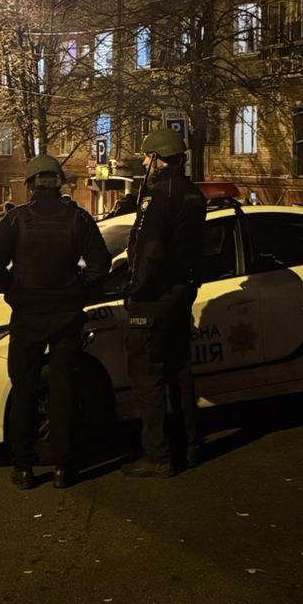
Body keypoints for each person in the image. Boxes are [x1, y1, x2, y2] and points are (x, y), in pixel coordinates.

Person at [0, 154, 110, 491]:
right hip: (66, 318)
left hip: (28, 317)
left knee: (24, 390)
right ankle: (63, 467)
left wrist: (13, 290)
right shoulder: (78, 218)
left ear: (31, 185)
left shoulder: (17, 219)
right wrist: (78, 292)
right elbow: (100, 265)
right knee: (63, 390)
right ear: (59, 183)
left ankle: (24, 468)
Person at [121, 127, 206, 479]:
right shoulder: (193, 194)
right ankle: (190, 445)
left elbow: (151, 249)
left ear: (158, 158)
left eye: (147, 157)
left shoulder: (159, 196)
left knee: (149, 378)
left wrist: (136, 289)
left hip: (154, 299)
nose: (144, 163)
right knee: (180, 372)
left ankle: (158, 455)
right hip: (181, 295)